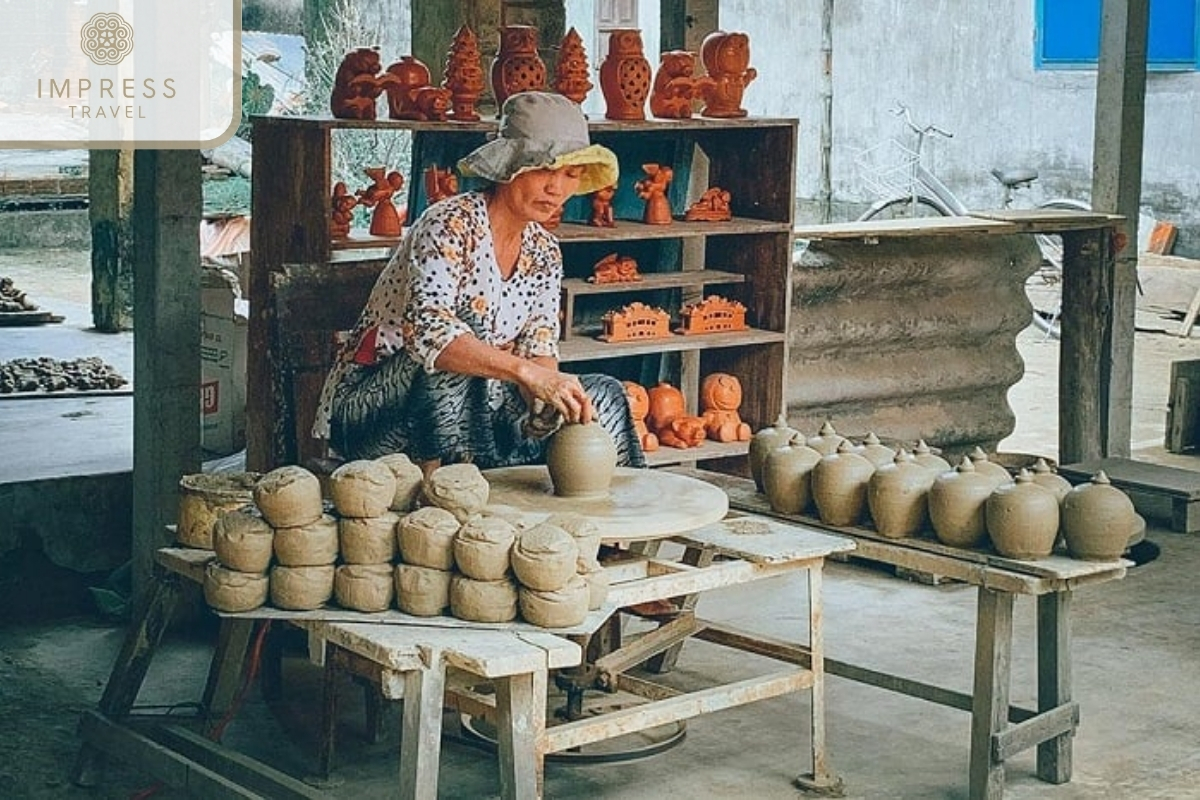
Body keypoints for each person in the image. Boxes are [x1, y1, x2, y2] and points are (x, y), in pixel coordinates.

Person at [313, 92, 646, 471]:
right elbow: (430, 335)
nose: (557, 188)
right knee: (456, 346)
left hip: (478, 416)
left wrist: (546, 401)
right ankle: (445, 500)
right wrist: (525, 373)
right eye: (543, 169)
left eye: (570, 174)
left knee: (601, 396)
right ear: (510, 168)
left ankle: (616, 523)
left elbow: (539, 346)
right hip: (375, 416)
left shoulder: (545, 251)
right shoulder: (449, 223)